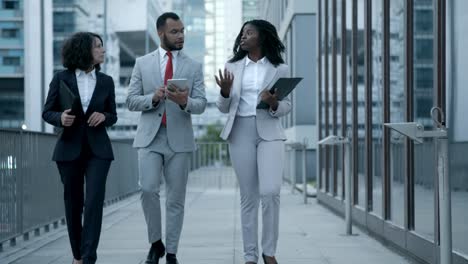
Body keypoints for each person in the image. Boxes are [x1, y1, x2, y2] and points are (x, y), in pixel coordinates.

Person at [126, 12, 206, 264]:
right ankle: (155, 243)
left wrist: (185, 102)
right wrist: (153, 98)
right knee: (148, 189)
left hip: (179, 139)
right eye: (175, 31)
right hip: (150, 137)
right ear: (161, 33)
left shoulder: (193, 66)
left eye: (182, 30)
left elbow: (202, 104)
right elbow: (130, 100)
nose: (180, 35)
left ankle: (171, 251)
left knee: (176, 199)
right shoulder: (142, 63)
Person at [215, 19, 291, 264]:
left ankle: (269, 251)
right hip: (240, 132)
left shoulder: (280, 68)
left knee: (270, 193)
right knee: (249, 197)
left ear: (262, 37)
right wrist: (225, 92)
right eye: (242, 33)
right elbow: (222, 107)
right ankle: (250, 256)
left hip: (270, 132)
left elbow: (287, 107)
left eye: (249, 33)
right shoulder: (232, 66)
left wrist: (273, 103)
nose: (243, 37)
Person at [42, 32, 117, 264]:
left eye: (102, 46)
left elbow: (113, 115)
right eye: (98, 47)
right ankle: (77, 254)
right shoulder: (60, 78)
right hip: (68, 149)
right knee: (73, 203)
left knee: (94, 201)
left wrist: (103, 116)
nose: (103, 51)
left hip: (99, 151)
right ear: (85, 50)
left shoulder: (106, 81)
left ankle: (87, 258)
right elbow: (47, 111)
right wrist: (60, 117)